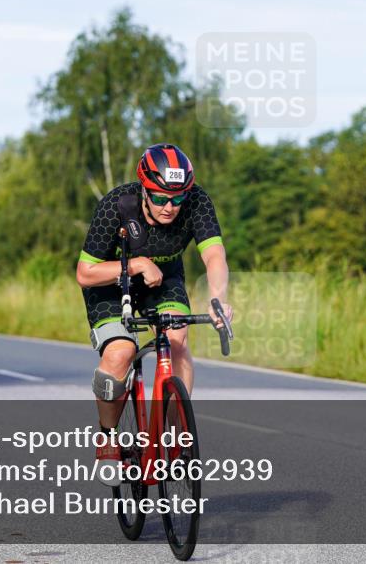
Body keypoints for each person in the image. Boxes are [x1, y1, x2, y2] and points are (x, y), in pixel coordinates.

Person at [76, 144, 233, 485]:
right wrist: (135, 264)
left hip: (164, 281)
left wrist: (218, 298)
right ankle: (107, 439)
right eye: (161, 198)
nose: (169, 207)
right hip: (110, 285)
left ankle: (175, 439)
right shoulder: (117, 205)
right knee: (121, 352)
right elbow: (85, 272)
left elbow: (215, 255)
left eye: (177, 199)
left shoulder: (196, 202)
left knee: (177, 338)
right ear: (144, 190)